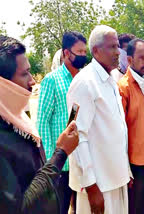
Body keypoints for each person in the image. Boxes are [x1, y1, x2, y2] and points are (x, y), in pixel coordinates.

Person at [0, 36, 79, 213]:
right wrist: (60, 153)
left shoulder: (15, 118)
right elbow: (19, 207)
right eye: (24, 74)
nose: (32, 81)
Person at [67, 25, 132, 214]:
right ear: (96, 51)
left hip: (115, 178)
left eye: (118, 46)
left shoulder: (111, 79)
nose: (117, 52)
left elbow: (117, 128)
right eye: (112, 47)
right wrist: (91, 186)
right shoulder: (84, 83)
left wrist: (125, 170)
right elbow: (77, 135)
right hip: (98, 185)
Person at [37, 31, 87, 214]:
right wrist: (53, 162)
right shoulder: (52, 80)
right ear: (67, 53)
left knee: (80, 207)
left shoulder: (84, 80)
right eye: (79, 52)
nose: (83, 56)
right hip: (62, 164)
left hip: (82, 160)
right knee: (60, 207)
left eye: (84, 52)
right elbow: (42, 123)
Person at [118, 38, 144, 214]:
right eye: (141, 58)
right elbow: (120, 130)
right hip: (134, 162)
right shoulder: (124, 87)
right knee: (135, 207)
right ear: (130, 60)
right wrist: (125, 167)